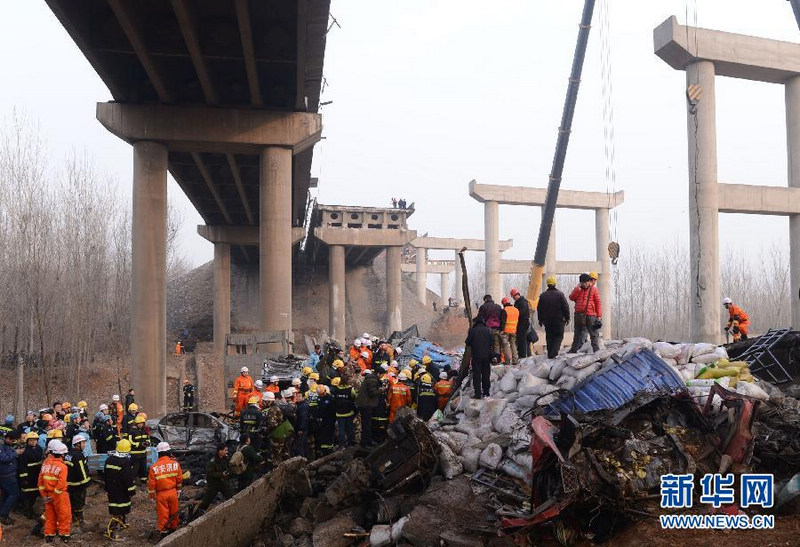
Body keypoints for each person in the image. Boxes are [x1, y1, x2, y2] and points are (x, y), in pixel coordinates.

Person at [147, 442, 183, 538]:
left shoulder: (154, 467)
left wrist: (151, 495)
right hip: (173, 492)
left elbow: (151, 483)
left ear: (158, 453)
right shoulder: (175, 464)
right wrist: (179, 489)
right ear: (169, 452)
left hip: (161, 494)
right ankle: (174, 528)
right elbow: (179, 479)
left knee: (163, 513)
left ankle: (163, 530)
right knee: (174, 511)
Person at [103, 439, 136, 540]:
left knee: (117, 508)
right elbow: (128, 478)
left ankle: (122, 523)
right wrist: (131, 490)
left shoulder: (109, 460)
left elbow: (106, 475)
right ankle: (110, 531)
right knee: (119, 510)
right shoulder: (125, 462)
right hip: (122, 491)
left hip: (111, 490)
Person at [39, 439, 71, 541]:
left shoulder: (45, 463)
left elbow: (40, 482)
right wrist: (54, 495)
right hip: (60, 495)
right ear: (61, 454)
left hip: (47, 495)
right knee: (64, 514)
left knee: (50, 516)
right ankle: (64, 535)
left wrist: (45, 496)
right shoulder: (62, 466)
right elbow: (61, 484)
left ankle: (49, 535)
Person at [537, 276, 571, 359]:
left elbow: (539, 309)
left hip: (547, 321)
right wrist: (567, 317)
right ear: (555, 284)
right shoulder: (560, 294)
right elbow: (565, 307)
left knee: (549, 336)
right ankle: (554, 353)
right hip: (558, 320)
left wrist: (540, 320)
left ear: (547, 284)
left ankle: (550, 354)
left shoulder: (543, 296)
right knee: (558, 336)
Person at [568, 273, 602, 353]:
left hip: (590, 315)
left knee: (593, 334)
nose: (584, 284)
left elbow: (598, 302)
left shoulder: (594, 289)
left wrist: (599, 315)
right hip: (579, 314)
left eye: (585, 282)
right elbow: (571, 297)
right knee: (577, 333)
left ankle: (596, 350)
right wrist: (577, 289)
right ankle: (574, 350)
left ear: (588, 282)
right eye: (582, 283)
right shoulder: (578, 289)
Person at [199, 444, 234, 512]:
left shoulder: (225, 458)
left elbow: (227, 467)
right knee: (207, 500)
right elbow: (210, 473)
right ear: (220, 451)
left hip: (223, 482)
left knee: (231, 495)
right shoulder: (212, 462)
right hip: (214, 484)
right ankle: (200, 512)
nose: (227, 452)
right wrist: (221, 474)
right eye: (225, 450)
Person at [465, 316, 493, 399]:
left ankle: (478, 393)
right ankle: (486, 393)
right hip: (487, 356)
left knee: (477, 375)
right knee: (486, 374)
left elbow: (467, 342)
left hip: (476, 356)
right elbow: (492, 341)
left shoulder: (472, 330)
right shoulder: (488, 330)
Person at [19, 431, 43, 519]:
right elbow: (22, 466)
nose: (33, 442)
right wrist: (24, 478)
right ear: (27, 441)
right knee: (28, 496)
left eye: (35, 440)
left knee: (34, 495)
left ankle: (32, 510)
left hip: (37, 475)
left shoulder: (39, 449)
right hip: (29, 477)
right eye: (31, 440)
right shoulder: (24, 452)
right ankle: (27, 511)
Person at [66, 436, 90, 526]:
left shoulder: (69, 453)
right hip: (78, 484)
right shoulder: (79, 455)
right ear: (77, 444)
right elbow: (82, 470)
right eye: (83, 443)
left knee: (71, 502)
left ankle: (73, 518)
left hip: (69, 483)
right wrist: (86, 482)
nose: (84, 445)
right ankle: (80, 520)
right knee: (79, 502)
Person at [0, 431, 22, 526]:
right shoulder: (1, 447)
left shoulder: (7, 445)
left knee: (6, 495)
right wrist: (15, 453)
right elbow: (3, 458)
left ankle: (3, 514)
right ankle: (3, 514)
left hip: (9, 473)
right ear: (8, 439)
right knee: (14, 494)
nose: (14, 442)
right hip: (6, 475)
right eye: (13, 440)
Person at [356, 369, 380, 447]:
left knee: (367, 424)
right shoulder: (372, 381)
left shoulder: (369, 379)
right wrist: (381, 390)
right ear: (379, 374)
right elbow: (372, 393)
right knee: (367, 424)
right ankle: (365, 442)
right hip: (366, 405)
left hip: (365, 404)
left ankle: (367, 440)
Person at [331, 377, 357, 448]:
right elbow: (354, 397)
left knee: (341, 430)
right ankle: (351, 442)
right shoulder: (350, 390)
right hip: (349, 412)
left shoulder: (336, 390)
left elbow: (334, 400)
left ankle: (341, 444)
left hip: (339, 414)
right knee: (350, 428)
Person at [476, 295, 503, 360]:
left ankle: (489, 359)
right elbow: (502, 317)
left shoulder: (483, 307)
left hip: (487, 328)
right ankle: (497, 359)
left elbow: (480, 317)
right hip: (497, 328)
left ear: (485, 299)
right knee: (496, 344)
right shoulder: (498, 307)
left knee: (487, 344)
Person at [129, 414, 150, 485]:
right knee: (135, 468)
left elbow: (148, 438)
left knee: (143, 468)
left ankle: (144, 479)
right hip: (135, 454)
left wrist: (147, 443)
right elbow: (130, 441)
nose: (140, 425)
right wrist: (139, 445)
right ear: (136, 424)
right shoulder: (132, 431)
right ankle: (133, 480)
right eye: (139, 423)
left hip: (143, 453)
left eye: (142, 423)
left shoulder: (145, 430)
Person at [511, 288, 532, 358]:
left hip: (523, 323)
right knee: (521, 340)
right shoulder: (518, 302)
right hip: (520, 323)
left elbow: (521, 314)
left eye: (514, 296)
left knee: (522, 340)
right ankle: (523, 354)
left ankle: (522, 356)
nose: (514, 298)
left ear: (517, 295)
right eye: (513, 297)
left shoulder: (522, 302)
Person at [315, 386, 336, 456]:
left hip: (330, 419)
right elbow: (318, 409)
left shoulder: (330, 398)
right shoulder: (319, 398)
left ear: (325, 391)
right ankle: (323, 449)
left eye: (321, 394)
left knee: (329, 434)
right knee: (322, 434)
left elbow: (333, 410)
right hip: (323, 420)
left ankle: (329, 449)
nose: (321, 395)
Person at [500, 297, 519, 364]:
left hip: (506, 331)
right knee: (513, 345)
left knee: (505, 345)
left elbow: (503, 321)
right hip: (514, 330)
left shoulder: (504, 310)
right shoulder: (516, 310)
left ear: (504, 303)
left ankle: (507, 361)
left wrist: (501, 330)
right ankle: (515, 360)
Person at [292, 391, 310, 458]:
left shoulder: (303, 406)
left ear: (303, 397)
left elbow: (303, 418)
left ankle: (301, 460)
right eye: (297, 396)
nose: (297, 398)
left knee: (300, 445)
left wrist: (301, 429)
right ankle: (306, 458)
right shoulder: (298, 405)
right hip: (300, 428)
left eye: (299, 396)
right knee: (304, 444)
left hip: (302, 429)